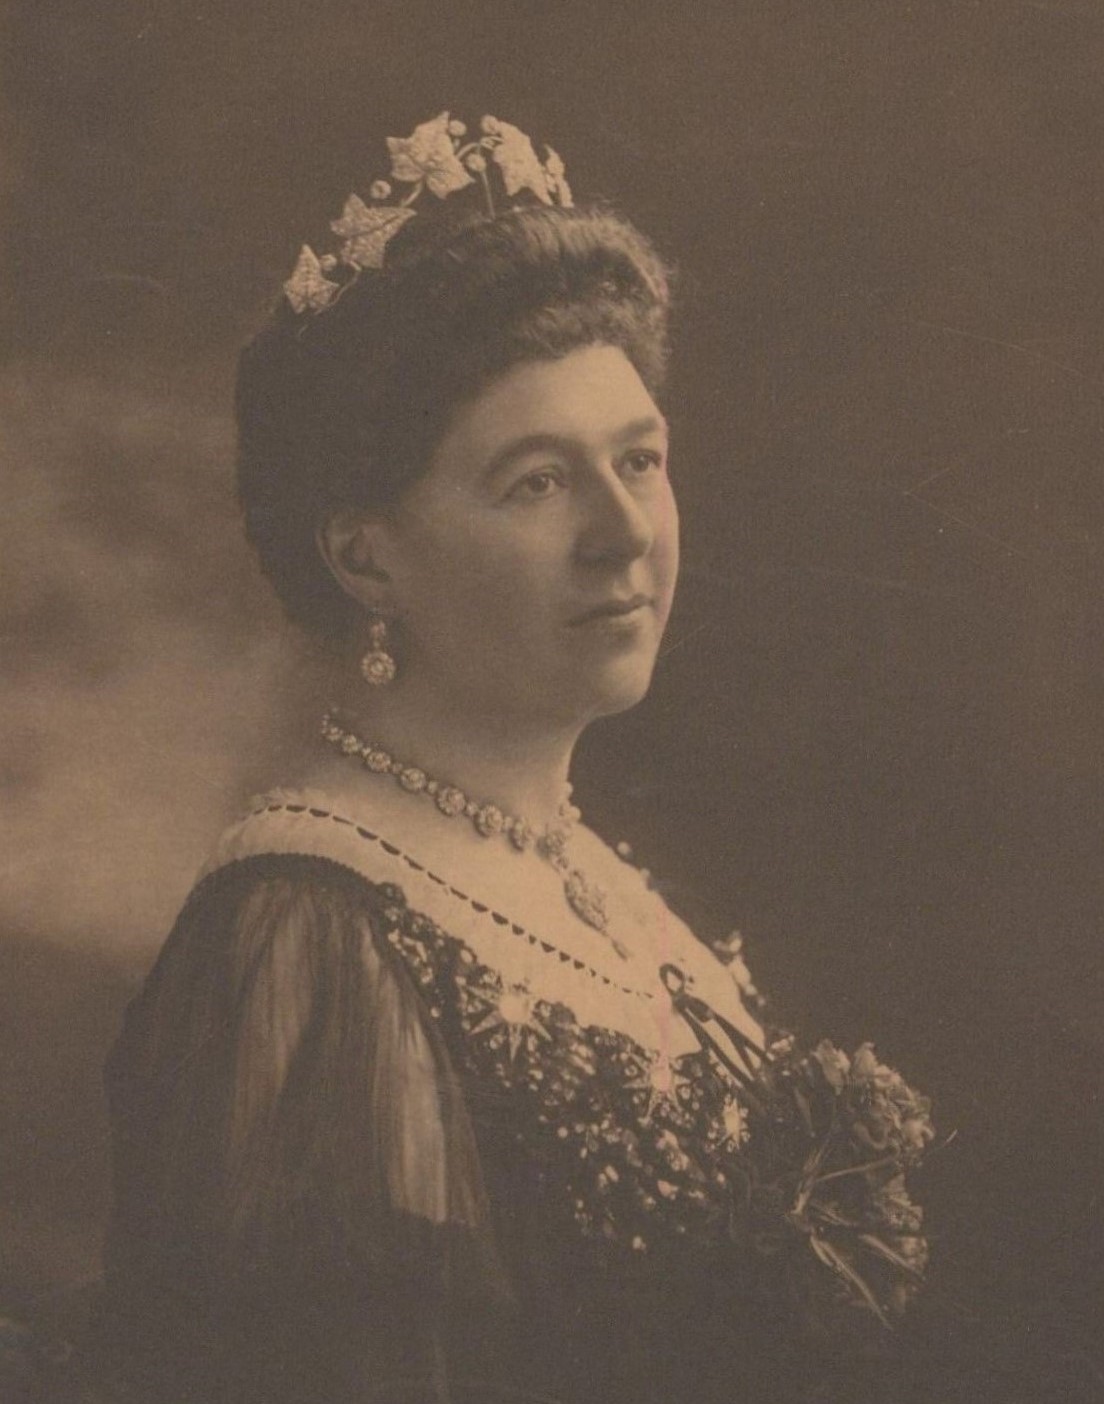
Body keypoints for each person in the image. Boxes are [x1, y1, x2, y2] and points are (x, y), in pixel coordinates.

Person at [64, 114, 917, 1404]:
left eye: (641, 461)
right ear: (366, 558)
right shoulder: (310, 937)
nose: (624, 532)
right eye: (536, 483)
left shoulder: (606, 892)